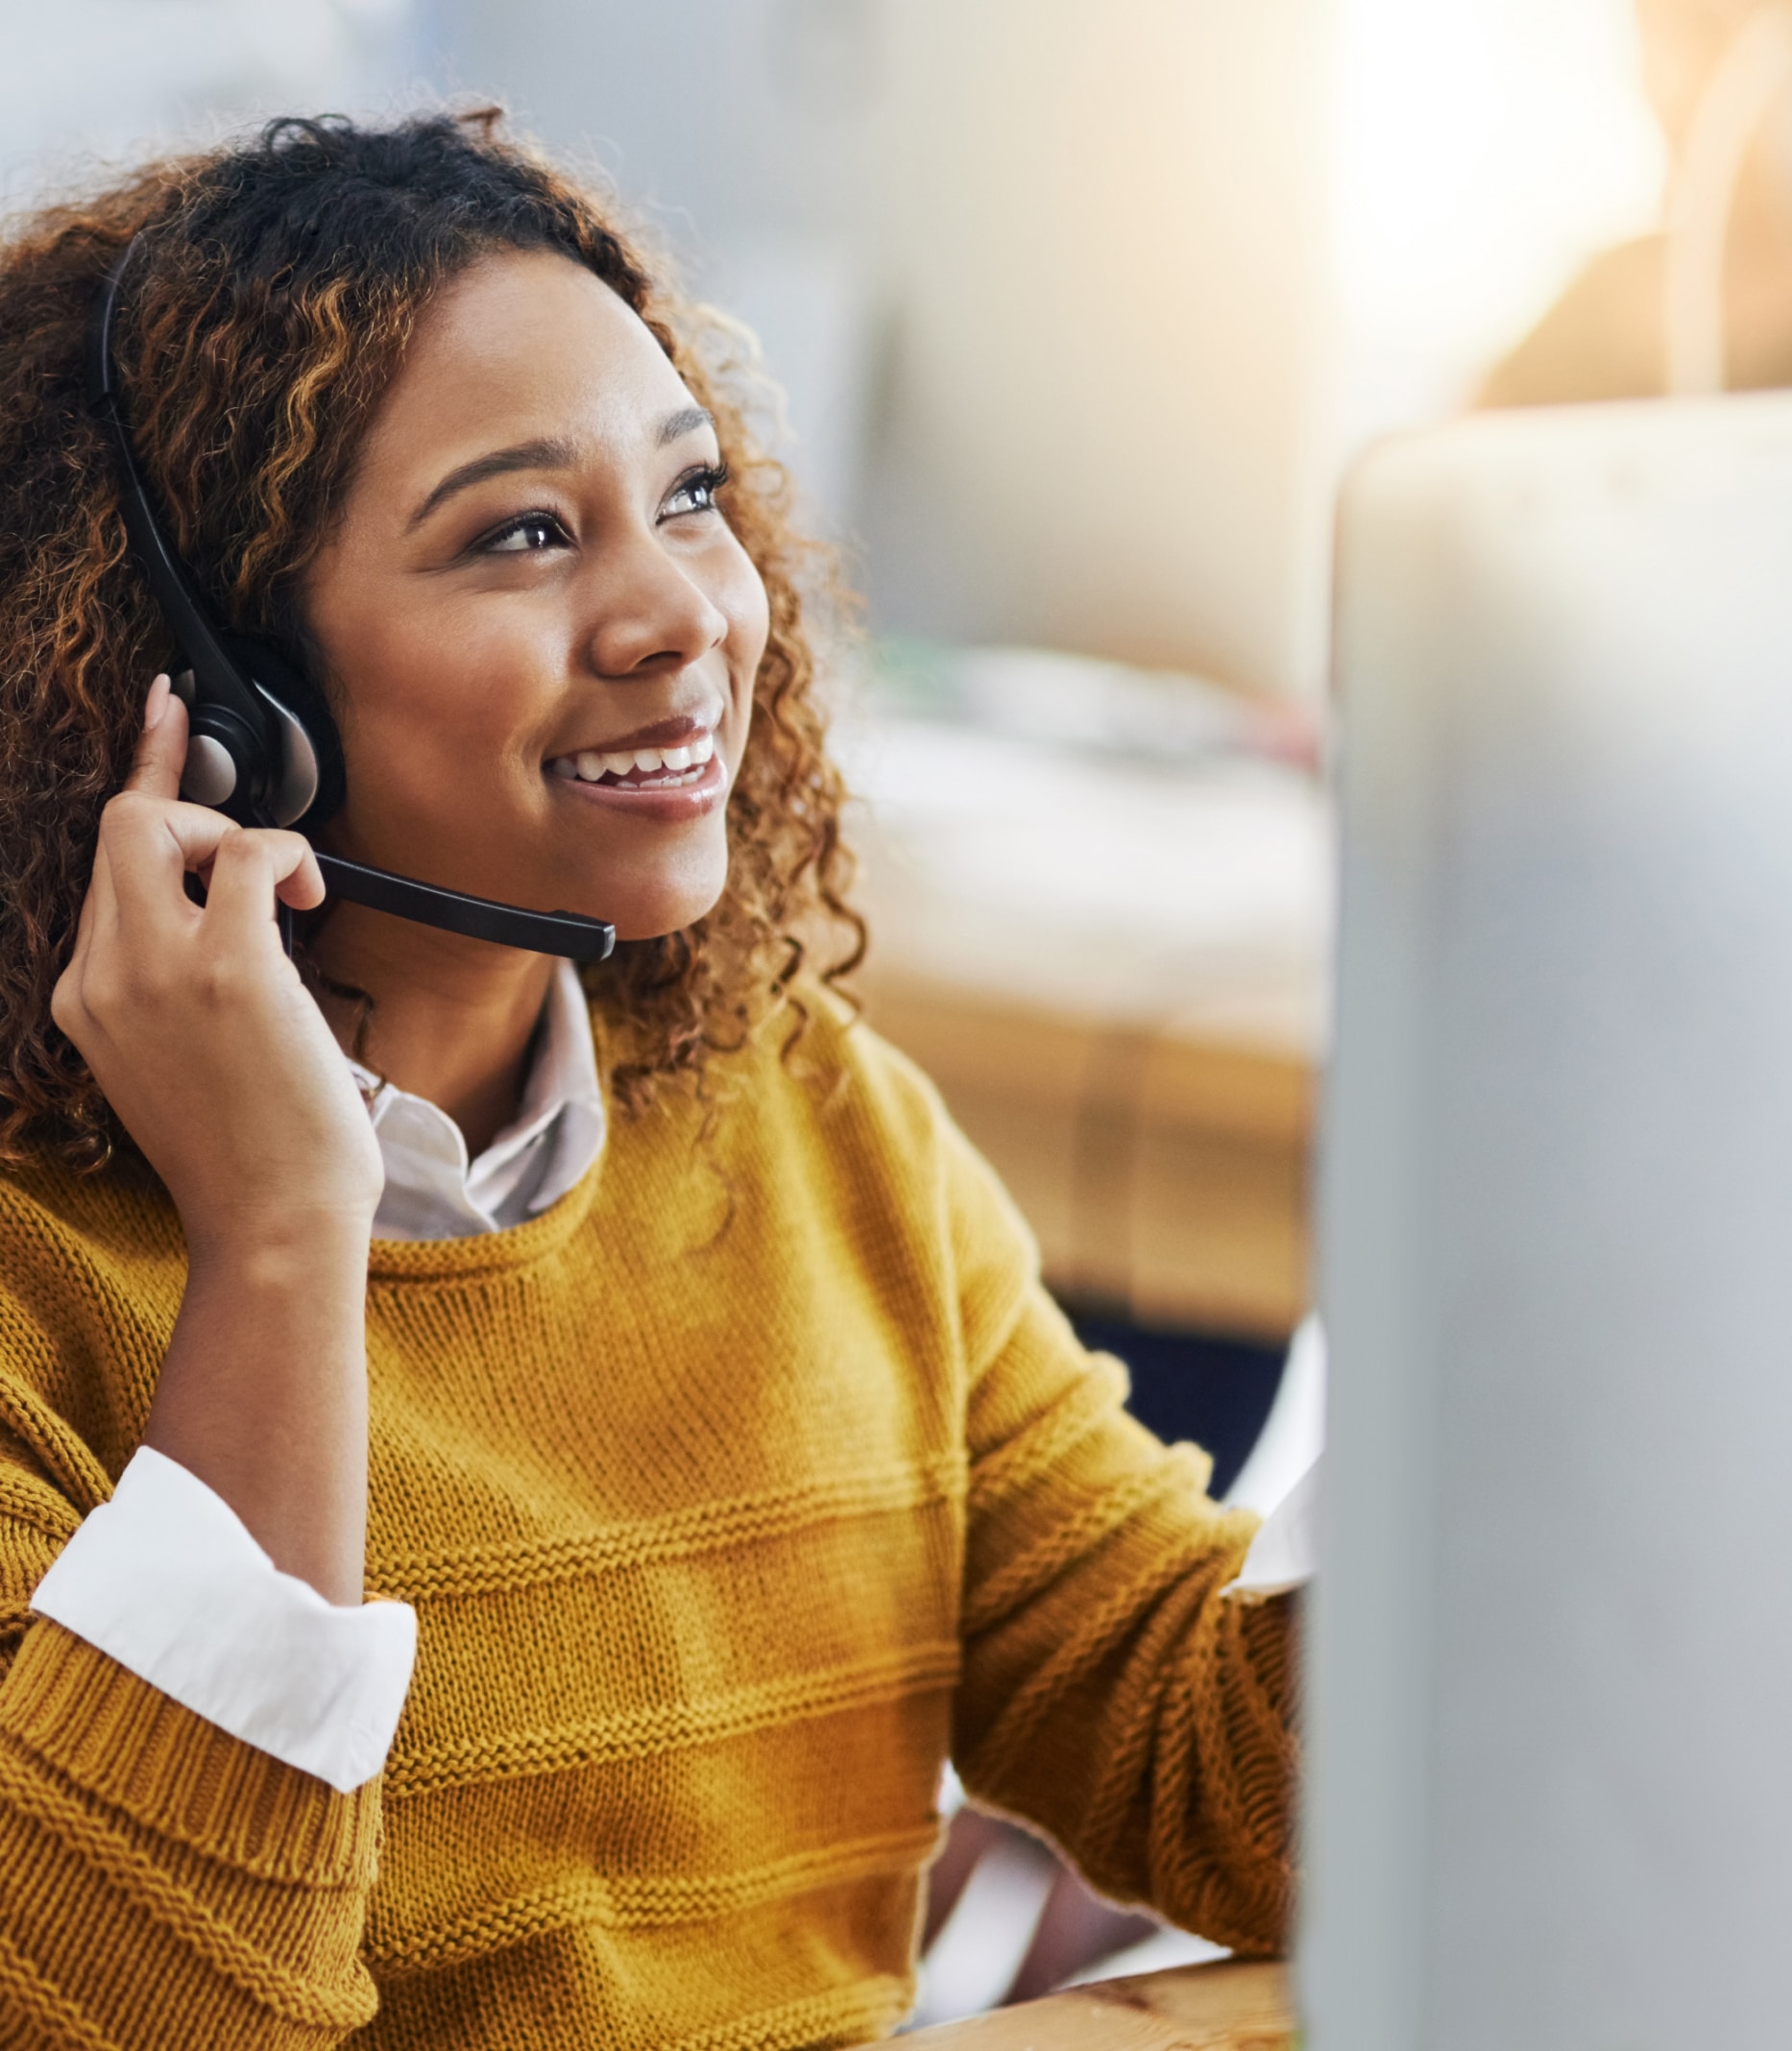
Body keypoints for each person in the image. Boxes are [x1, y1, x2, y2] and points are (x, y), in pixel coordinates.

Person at [0, 111, 1297, 2047]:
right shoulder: (47, 1280)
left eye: (688, 495)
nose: (685, 614)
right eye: (523, 531)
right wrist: (280, 1240)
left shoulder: (801, 1114)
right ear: (214, 699)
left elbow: (1208, 1765)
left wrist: (1571, 1363)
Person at [1483, 0, 1792, 405]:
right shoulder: (1600, 310)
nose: (1677, 84)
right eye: (1656, 36)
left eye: (1706, 30)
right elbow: (1447, 460)